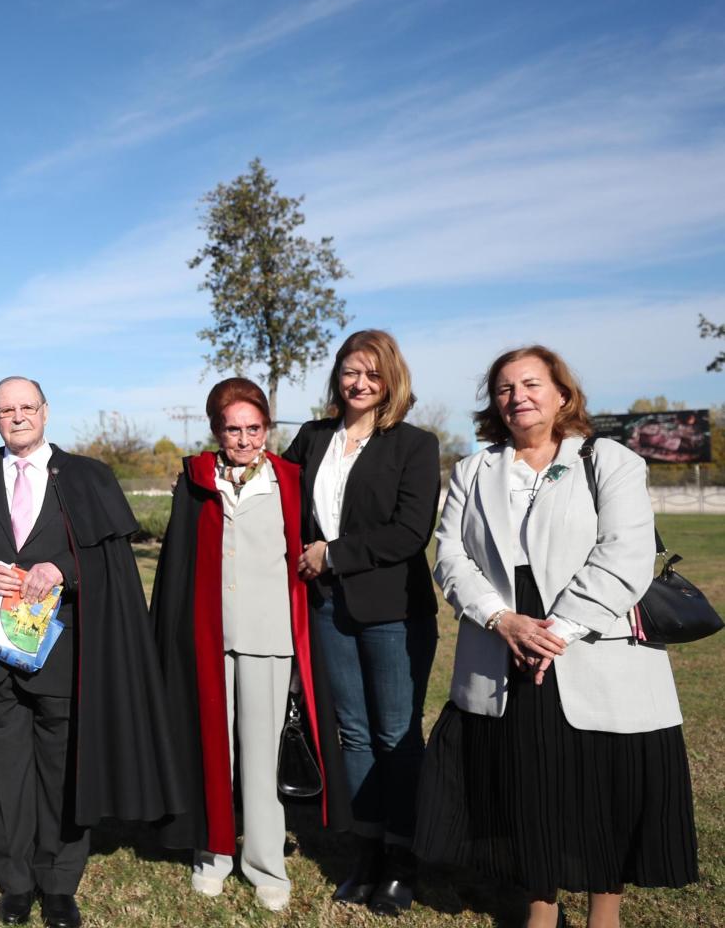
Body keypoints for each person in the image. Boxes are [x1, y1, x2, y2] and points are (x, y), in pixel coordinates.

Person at [417, 346, 697, 928]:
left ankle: (604, 917)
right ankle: (540, 914)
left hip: (593, 650)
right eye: (503, 388)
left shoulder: (609, 460)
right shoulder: (472, 471)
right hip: (505, 650)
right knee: (529, 793)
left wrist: (557, 631)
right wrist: (501, 619)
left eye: (531, 384)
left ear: (562, 395)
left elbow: (625, 551)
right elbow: (450, 556)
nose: (517, 396)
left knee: (604, 791)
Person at [0, 376, 178, 928]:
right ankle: (14, 883)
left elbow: (110, 564)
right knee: (5, 775)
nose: (17, 417)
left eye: (26, 407)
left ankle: (58, 885)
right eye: (5, 410)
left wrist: (63, 569)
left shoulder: (87, 478)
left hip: (65, 655)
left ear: (46, 412)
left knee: (60, 771)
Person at [150, 378, 347, 913]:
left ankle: (265, 865)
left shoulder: (289, 479)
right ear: (216, 429)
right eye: (232, 429)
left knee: (261, 759)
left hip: (269, 636)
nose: (242, 439)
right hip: (209, 636)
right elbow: (177, 562)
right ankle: (213, 854)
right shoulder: (196, 479)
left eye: (253, 428)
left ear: (267, 427)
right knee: (213, 751)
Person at [281, 328, 439, 914]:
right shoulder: (313, 437)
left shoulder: (414, 444)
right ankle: (366, 852)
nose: (360, 383)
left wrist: (335, 553)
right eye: (351, 371)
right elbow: (276, 496)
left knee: (396, 734)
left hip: (393, 612)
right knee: (351, 733)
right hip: (326, 609)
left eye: (373, 374)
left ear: (391, 379)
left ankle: (403, 859)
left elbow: (410, 530)